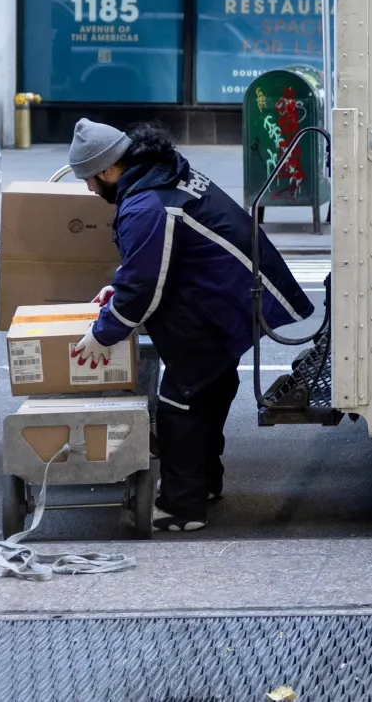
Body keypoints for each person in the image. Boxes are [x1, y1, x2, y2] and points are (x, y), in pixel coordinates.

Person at [66, 119, 314, 532]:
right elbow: (156, 260)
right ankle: (204, 483)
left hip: (217, 302)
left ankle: (182, 508)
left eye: (90, 180)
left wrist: (103, 333)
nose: (90, 190)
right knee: (210, 386)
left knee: (181, 401)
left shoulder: (147, 204)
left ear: (108, 170)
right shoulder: (164, 172)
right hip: (225, 294)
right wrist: (118, 289)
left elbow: (144, 284)